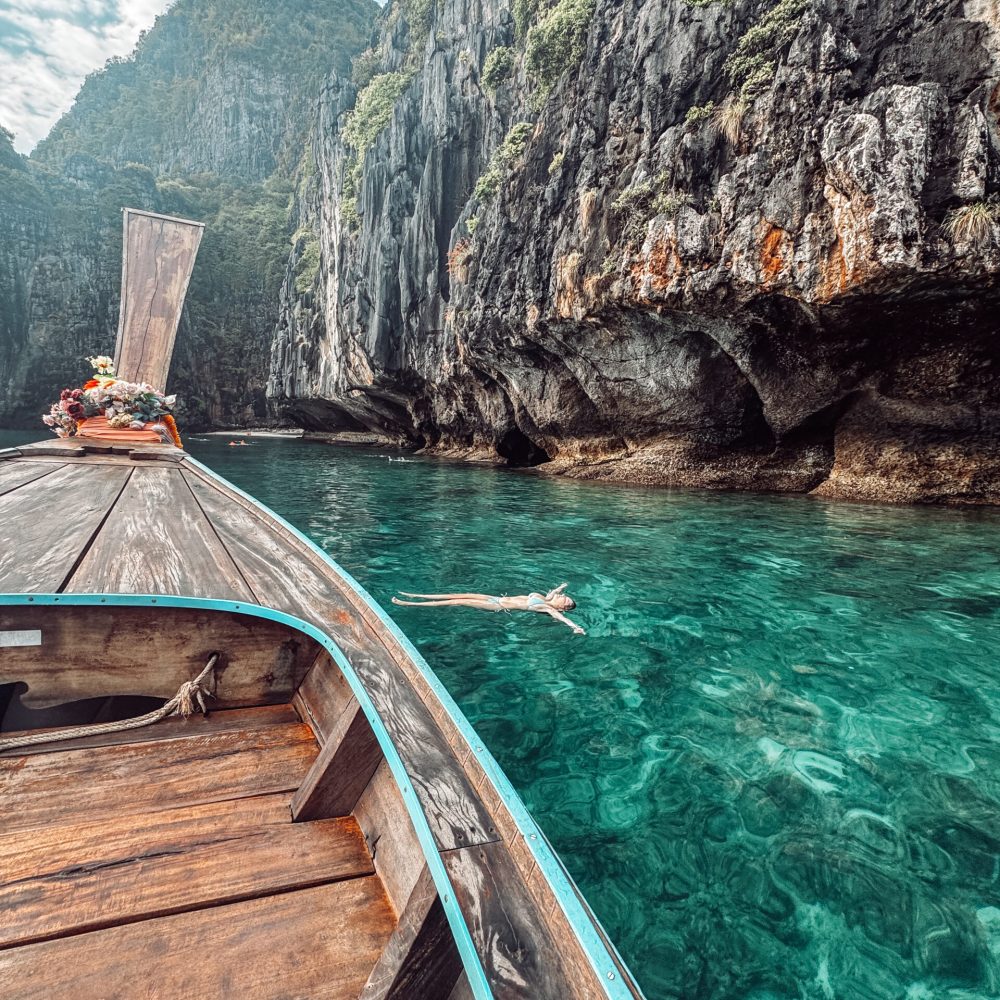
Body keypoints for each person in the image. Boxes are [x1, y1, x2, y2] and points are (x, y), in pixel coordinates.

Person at [391, 582, 585, 634]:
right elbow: (553, 592)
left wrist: (575, 627)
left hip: (496, 606)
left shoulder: (548, 609)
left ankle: (409, 603)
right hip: (496, 598)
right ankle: (416, 595)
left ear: (562, 608)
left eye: (566, 600)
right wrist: (561, 587)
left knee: (457, 602)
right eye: (566, 597)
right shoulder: (546, 598)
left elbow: (563, 619)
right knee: (460, 594)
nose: (564, 597)